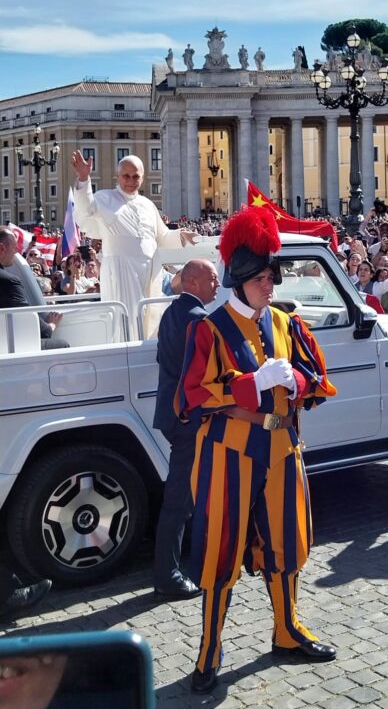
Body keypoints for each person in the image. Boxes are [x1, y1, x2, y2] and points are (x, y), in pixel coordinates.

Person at [175, 206, 337, 694]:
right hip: (230, 452)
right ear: (240, 277)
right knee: (220, 551)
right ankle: (209, 649)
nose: (271, 284)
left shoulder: (287, 324)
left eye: (273, 275)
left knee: (287, 543)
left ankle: (286, 631)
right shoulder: (208, 328)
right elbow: (190, 397)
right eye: (263, 277)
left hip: (284, 447)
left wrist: (300, 378)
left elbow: (320, 381)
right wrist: (251, 383)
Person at [71, 152, 197, 336]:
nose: (131, 180)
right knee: (126, 322)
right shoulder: (105, 198)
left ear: (142, 177)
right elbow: (86, 210)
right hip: (122, 272)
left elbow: (162, 236)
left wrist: (180, 235)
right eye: (126, 176)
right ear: (118, 176)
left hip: (150, 271)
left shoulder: (147, 204)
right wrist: (83, 179)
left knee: (151, 318)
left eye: (136, 176)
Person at [152, 259, 220, 599]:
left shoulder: (171, 313)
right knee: (179, 498)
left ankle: (190, 563)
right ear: (192, 282)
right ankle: (168, 576)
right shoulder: (200, 320)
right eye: (212, 278)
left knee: (188, 494)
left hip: (171, 413)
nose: (217, 284)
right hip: (188, 418)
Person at [0, 228, 69, 350]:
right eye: (14, 247)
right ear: (1, 249)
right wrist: (51, 326)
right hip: (9, 346)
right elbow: (30, 320)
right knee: (62, 344)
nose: (17, 251)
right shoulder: (9, 282)